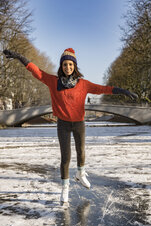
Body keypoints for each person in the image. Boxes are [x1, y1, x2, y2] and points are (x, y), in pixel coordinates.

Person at [3, 48, 138, 207]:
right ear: (62, 66)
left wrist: (122, 91)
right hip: (63, 124)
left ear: (75, 66)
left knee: (81, 152)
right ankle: (65, 188)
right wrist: (19, 56)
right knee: (65, 158)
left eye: (70, 64)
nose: (68, 67)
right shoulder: (53, 82)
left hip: (79, 123)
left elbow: (103, 89)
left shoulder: (83, 84)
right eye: (65, 64)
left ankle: (81, 174)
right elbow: (36, 71)